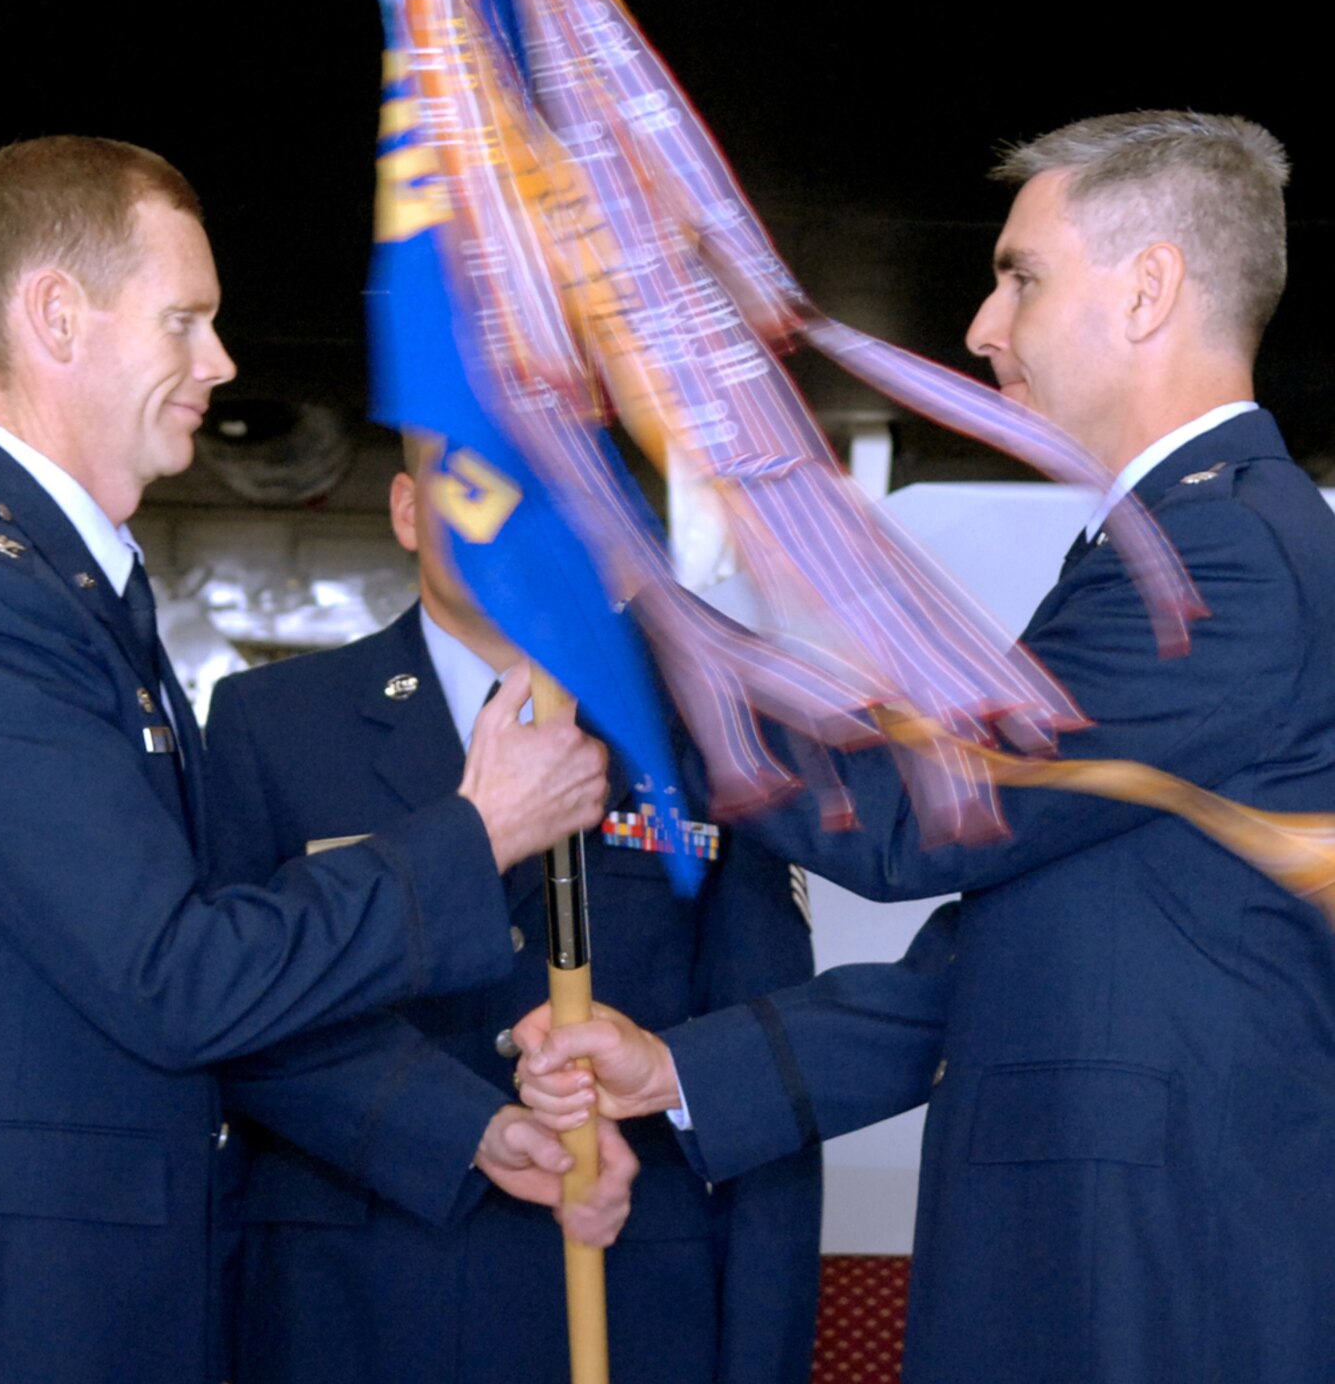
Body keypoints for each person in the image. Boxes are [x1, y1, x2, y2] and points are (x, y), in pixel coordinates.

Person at [519, 110, 1335, 1384]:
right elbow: (1009, 951)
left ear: (1148, 288)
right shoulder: (1181, 549)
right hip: (1112, 1240)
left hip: (1149, 1261)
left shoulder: (1219, 560)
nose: (980, 325)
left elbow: (913, 815)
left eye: (1020, 275)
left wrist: (639, 620)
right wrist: (683, 1067)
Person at [0, 135, 619, 1384]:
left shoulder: (68, 591)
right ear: (55, 314)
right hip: (21, 1313)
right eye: (185, 320)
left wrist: (465, 1125)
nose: (220, 362)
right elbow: (177, 969)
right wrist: (474, 832)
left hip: (100, 1288)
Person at [204, 434, 821, 1384]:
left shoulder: (706, 733)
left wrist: (762, 1347)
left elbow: (768, 1062)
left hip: (626, 1299)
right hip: (350, 1303)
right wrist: (457, 1129)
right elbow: (234, 1012)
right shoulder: (272, 723)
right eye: (474, 484)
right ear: (408, 510)